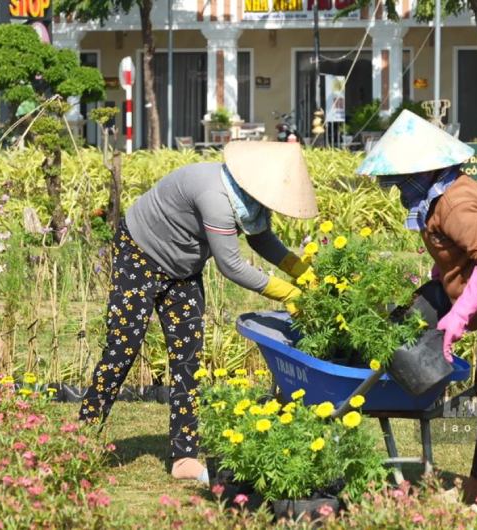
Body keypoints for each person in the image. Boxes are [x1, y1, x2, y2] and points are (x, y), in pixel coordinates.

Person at [79, 142, 317, 483]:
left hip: (183, 269)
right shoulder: (216, 197)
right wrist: (289, 293)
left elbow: (261, 240)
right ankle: (82, 436)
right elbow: (231, 266)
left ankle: (184, 457)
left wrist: (301, 271)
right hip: (140, 254)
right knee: (122, 349)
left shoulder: (247, 200)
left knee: (188, 358)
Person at [358, 111, 477, 499]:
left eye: (399, 179)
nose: (396, 189)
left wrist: (459, 314)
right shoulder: (437, 198)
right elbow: (455, 257)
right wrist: (438, 289)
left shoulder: (455, 201)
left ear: (422, 170)